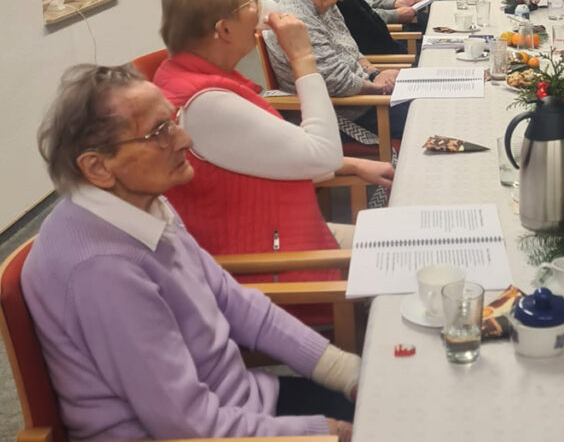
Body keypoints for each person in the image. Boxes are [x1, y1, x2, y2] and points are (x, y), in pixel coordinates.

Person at [27, 63, 361, 441]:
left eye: (172, 121)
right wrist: (323, 431)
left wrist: (343, 369)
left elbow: (229, 298)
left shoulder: (140, 203)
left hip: (240, 406)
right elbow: (188, 427)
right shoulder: (102, 270)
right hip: (200, 431)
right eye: (159, 133)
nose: (184, 139)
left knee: (394, 398)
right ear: (98, 167)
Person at [153, 0, 393, 281]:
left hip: (282, 233)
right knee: (408, 256)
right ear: (223, 30)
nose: (259, 8)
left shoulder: (186, 75)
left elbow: (268, 152)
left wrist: (352, 165)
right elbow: (323, 154)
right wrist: (303, 58)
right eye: (249, 1)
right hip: (273, 261)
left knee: (410, 240)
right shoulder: (205, 104)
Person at [265, 0, 409, 140]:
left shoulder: (322, 5)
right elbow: (337, 82)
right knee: (426, 115)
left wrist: (374, 72)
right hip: (346, 114)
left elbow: (350, 47)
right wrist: (379, 86)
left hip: (363, 95)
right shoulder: (297, 20)